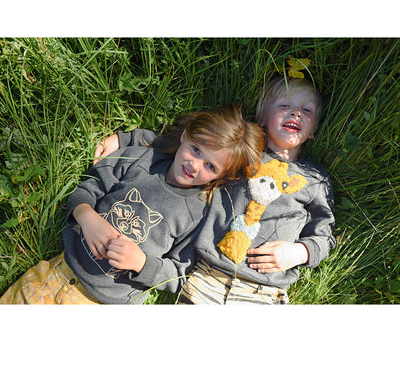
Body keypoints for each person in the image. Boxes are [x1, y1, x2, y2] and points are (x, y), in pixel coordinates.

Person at [93, 76, 336, 304]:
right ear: (262, 118)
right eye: (285, 105)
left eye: (307, 111)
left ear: (313, 131)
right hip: (207, 276)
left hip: (266, 288)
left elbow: (324, 235)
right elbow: (188, 146)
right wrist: (127, 140)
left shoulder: (315, 180)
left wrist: (299, 252)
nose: (296, 113)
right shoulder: (242, 153)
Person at [0, 105, 265, 304]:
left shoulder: (198, 214)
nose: (194, 165)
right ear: (185, 135)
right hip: (56, 272)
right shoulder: (141, 160)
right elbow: (87, 189)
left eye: (210, 166)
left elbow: (179, 273)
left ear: (221, 176)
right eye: (196, 149)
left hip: (106, 304)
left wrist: (141, 263)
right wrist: (87, 217)